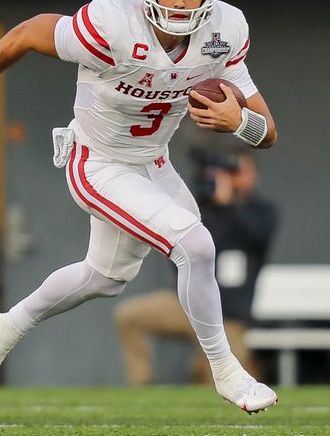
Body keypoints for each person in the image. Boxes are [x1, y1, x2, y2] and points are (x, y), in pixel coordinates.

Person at [0, 0, 279, 413]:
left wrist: (239, 122)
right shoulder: (111, 23)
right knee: (196, 244)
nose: (182, 2)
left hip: (153, 162)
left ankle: (4, 327)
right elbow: (30, 31)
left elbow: (267, 131)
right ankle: (227, 372)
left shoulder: (223, 31)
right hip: (98, 161)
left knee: (105, 276)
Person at [114, 147, 278, 386]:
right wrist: (207, 195)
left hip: (229, 316)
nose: (233, 177)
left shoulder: (262, 212)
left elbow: (255, 236)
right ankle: (142, 388)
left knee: (220, 379)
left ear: (252, 174)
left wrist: (228, 203)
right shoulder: (204, 207)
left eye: (239, 171)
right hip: (186, 305)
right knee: (129, 317)